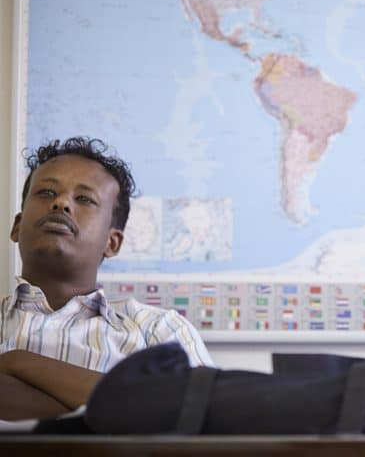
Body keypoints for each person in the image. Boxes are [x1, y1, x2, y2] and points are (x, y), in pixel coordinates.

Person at [1, 137, 214, 421]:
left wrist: (17, 362)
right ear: (17, 226)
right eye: (46, 192)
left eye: (84, 199)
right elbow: (159, 414)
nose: (61, 202)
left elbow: (198, 418)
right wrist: (125, 414)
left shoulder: (160, 331)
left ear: (111, 242)